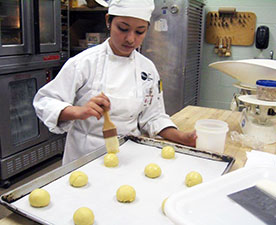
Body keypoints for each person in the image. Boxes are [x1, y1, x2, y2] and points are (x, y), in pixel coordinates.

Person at [33, 0, 197, 165]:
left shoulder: (147, 69)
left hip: (129, 155)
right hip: (84, 157)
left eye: (140, 32)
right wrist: (78, 111)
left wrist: (182, 137)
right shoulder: (84, 63)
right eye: (123, 28)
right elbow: (44, 101)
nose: (130, 39)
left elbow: (153, 116)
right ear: (108, 21)